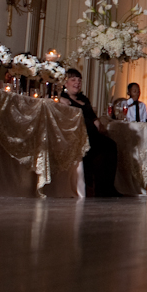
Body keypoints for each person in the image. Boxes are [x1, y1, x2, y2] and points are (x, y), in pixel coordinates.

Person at [59, 67, 119, 197]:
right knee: (99, 150)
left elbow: (94, 118)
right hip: (77, 136)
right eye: (73, 80)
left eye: (79, 80)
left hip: (92, 134)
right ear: (65, 83)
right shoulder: (62, 98)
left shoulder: (84, 99)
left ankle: (107, 187)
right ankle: (99, 188)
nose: (77, 83)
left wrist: (98, 123)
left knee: (110, 145)